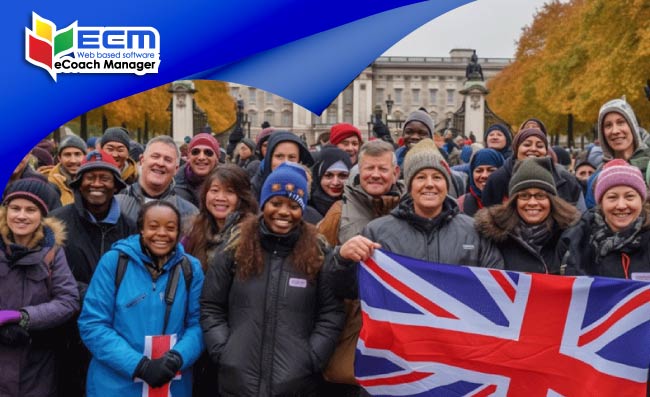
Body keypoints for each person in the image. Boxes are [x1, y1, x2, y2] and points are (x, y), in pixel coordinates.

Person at [200, 162, 344, 396]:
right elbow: (211, 305)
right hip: (237, 382)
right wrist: (224, 350)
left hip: (295, 384)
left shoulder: (317, 251)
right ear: (264, 204)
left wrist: (312, 357)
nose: (284, 212)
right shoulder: (236, 245)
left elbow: (331, 313)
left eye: (293, 205)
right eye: (276, 203)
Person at [78, 200, 204, 397]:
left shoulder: (191, 268)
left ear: (179, 232)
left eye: (170, 228)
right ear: (141, 230)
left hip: (171, 384)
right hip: (114, 386)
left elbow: (198, 324)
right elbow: (93, 323)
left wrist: (177, 358)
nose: (162, 233)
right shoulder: (114, 262)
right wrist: (140, 365)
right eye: (153, 226)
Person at [338, 138, 504, 269]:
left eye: (437, 177)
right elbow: (350, 287)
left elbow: (495, 286)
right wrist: (341, 258)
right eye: (421, 177)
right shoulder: (377, 231)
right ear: (410, 186)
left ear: (447, 185)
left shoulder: (475, 231)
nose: (429, 184)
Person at [50, 150, 137, 397]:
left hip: (114, 333)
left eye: (104, 178)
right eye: (90, 177)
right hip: (67, 333)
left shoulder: (130, 227)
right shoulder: (56, 223)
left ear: (116, 185)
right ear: (79, 182)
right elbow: (47, 273)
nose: (96, 184)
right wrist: (92, 295)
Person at [182, 164, 258, 397]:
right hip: (197, 330)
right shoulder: (193, 230)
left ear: (241, 197)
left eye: (229, 192)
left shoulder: (254, 234)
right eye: (215, 190)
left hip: (236, 335)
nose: (220, 198)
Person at [0, 179, 80, 396]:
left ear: (42, 215)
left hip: (36, 364)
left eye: (30, 210)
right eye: (15, 208)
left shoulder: (52, 252)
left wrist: (23, 317)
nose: (21, 216)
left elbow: (68, 300)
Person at [475, 157, 580, 273]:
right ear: (514, 201)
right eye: (524, 196)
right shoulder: (493, 237)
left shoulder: (571, 236)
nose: (533, 203)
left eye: (540, 195)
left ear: (552, 200)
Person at [559, 160, 650, 278]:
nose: (621, 205)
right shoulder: (575, 241)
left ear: (641, 201)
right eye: (612, 197)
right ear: (600, 203)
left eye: (629, 196)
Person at [318, 139, 404, 246]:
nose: (375, 175)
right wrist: (341, 255)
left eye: (383, 169)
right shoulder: (339, 212)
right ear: (360, 171)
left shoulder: (411, 207)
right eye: (369, 168)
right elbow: (318, 257)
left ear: (395, 173)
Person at [482, 128, 585, 211]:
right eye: (527, 144)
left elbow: (580, 215)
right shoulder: (498, 178)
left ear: (546, 151)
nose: (533, 149)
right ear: (516, 149)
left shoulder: (564, 177)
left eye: (539, 146)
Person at [116, 135, 198, 234]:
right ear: (142, 160)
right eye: (155, 156)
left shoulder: (189, 214)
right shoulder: (117, 204)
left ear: (176, 169)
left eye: (168, 160)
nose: (160, 163)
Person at [585, 98, 650, 208]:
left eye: (621, 122)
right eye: (608, 125)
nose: (615, 131)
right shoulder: (597, 177)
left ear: (633, 127)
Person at [174, 133, 221, 207]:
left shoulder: (230, 182)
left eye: (208, 152)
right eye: (195, 152)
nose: (201, 157)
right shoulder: (172, 185)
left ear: (217, 158)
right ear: (188, 157)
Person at [40, 135, 88, 205]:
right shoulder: (46, 182)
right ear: (59, 158)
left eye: (77, 154)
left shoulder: (93, 181)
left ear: (85, 157)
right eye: (67, 155)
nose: (73, 160)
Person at [457, 148, 504, 216]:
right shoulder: (461, 204)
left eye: (491, 170)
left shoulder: (513, 202)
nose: (484, 176)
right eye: (479, 171)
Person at [310, 146, 352, 216]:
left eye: (342, 176)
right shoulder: (306, 207)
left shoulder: (359, 204)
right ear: (318, 177)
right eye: (328, 176)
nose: (335, 182)